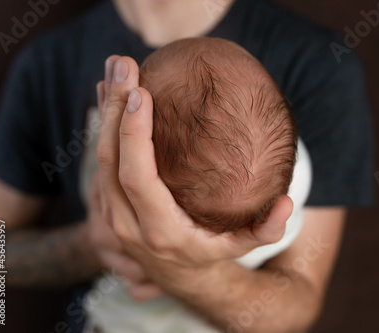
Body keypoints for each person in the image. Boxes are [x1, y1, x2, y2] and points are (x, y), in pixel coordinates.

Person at [0, 0, 373, 332]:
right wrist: (92, 244)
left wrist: (185, 271)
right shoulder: (47, 62)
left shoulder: (319, 64)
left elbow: (298, 305)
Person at [84, 36, 312, 333]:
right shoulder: (294, 174)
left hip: (123, 314)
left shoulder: (114, 150)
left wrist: (166, 267)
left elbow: (300, 308)